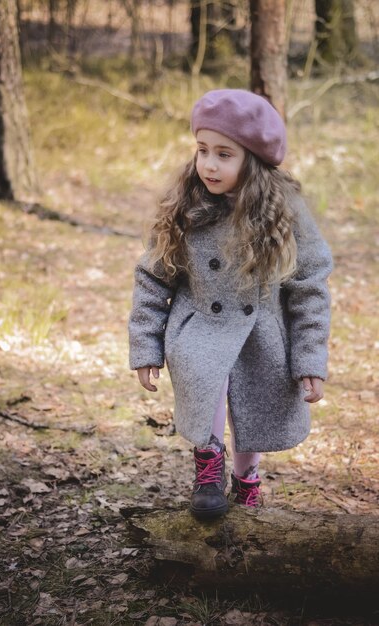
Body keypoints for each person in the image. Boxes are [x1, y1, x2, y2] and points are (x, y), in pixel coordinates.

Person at [128, 89, 333, 519]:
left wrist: (310, 359)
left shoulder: (286, 212)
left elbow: (309, 286)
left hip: (261, 330)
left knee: (255, 391)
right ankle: (208, 466)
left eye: (224, 154)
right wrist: (146, 346)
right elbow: (152, 276)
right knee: (208, 371)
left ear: (253, 161)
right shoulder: (185, 205)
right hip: (198, 324)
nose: (209, 164)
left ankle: (248, 480)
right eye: (203, 150)